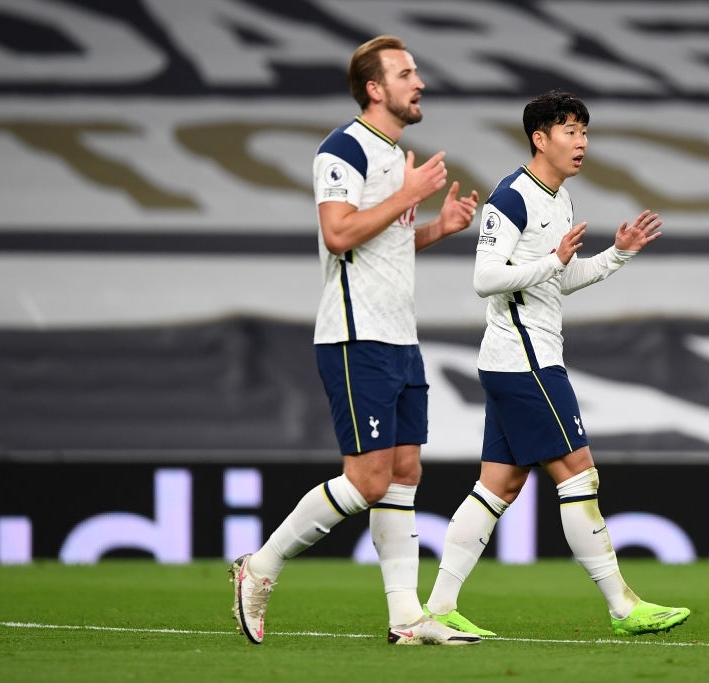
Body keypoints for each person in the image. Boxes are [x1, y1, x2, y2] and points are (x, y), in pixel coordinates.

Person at [230, 35, 481, 646]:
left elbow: (385, 242)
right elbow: (338, 234)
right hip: (354, 334)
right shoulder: (342, 149)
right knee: (368, 480)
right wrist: (410, 195)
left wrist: (437, 227)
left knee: (404, 472)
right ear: (375, 88)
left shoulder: (397, 157)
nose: (418, 82)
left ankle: (406, 620)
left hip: (399, 335)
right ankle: (261, 566)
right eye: (406, 73)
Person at [423, 90, 690, 638]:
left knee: (497, 486)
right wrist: (551, 260)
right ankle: (622, 605)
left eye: (585, 131)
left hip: (519, 357)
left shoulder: (559, 198)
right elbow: (485, 278)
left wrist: (617, 254)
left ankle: (439, 605)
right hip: (526, 361)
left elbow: (559, 280)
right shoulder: (511, 198)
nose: (582, 142)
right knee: (579, 473)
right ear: (539, 138)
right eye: (570, 131)